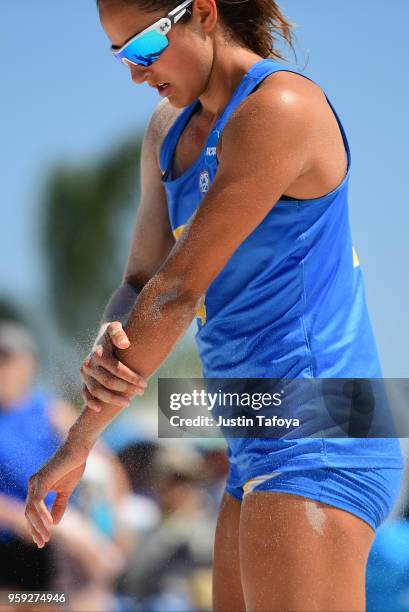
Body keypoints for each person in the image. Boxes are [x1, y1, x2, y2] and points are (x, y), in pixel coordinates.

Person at [25, 1, 403, 610]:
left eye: (143, 48)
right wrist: (109, 338)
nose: (135, 72)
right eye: (120, 55)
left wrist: (80, 443)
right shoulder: (165, 131)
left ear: (201, 12)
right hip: (256, 428)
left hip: (321, 427)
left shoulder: (280, 109)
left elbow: (175, 291)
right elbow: (140, 280)